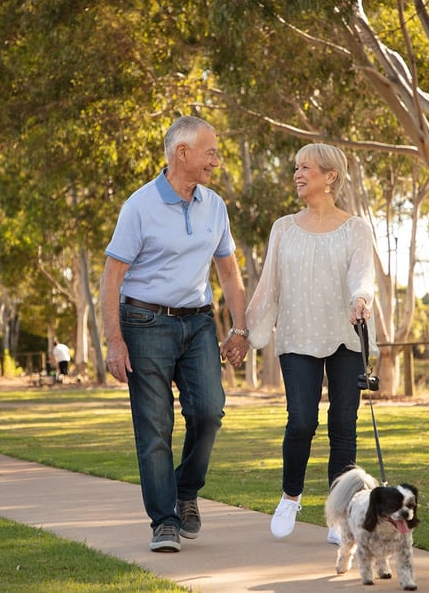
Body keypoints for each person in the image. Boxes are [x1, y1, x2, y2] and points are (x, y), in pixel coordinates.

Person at [100, 115, 250, 554]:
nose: (217, 161)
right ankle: (164, 521)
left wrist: (239, 328)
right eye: (211, 152)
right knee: (155, 427)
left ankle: (186, 491)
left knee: (209, 411)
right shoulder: (139, 206)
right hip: (144, 323)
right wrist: (114, 340)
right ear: (181, 153)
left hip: (198, 321)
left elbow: (228, 271)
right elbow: (112, 277)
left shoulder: (215, 205)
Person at [244, 142, 378, 544]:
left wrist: (361, 298)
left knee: (343, 425)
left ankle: (340, 517)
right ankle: (291, 496)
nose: (298, 174)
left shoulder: (356, 227)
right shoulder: (283, 228)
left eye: (306, 168)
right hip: (298, 335)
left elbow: (363, 272)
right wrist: (247, 333)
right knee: (301, 421)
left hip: (344, 334)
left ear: (330, 176)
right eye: (296, 168)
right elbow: (269, 285)